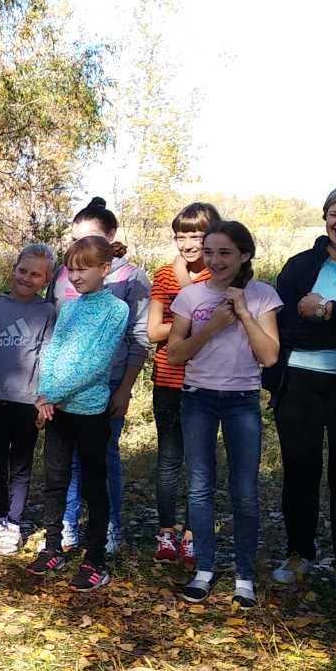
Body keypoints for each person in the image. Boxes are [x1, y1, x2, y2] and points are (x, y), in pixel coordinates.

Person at [168, 221, 281, 609]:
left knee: (244, 490)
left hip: (242, 401)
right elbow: (175, 354)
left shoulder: (262, 295)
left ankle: (244, 576)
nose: (214, 260)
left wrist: (245, 314)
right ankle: (204, 569)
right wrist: (211, 327)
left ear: (244, 255)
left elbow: (269, 356)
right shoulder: (190, 295)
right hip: (197, 398)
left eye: (225, 253)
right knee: (200, 487)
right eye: (210, 252)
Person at [264, 180, 336, 599]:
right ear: (324, 217)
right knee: (299, 471)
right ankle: (299, 553)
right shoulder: (300, 266)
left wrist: (327, 310)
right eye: (335, 214)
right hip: (298, 383)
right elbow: (282, 325)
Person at [49, 199, 150, 556]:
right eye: (75, 239)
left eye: (89, 237)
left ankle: (108, 528)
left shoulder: (132, 278)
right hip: (63, 388)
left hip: (106, 382)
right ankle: (67, 525)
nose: (81, 246)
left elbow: (139, 337)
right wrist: (49, 388)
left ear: (110, 236)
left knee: (102, 458)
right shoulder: (64, 275)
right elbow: (56, 330)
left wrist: (125, 389)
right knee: (66, 461)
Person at [28, 234, 129, 592]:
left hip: (90, 412)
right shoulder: (69, 307)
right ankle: (52, 546)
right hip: (58, 410)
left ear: (105, 268)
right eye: (71, 270)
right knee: (55, 481)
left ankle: (95, 559)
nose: (75, 276)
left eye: (83, 269)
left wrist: (52, 395)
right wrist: (45, 394)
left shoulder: (116, 310)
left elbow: (96, 362)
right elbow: (53, 352)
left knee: (93, 485)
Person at [0, 245, 56, 556]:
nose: (27, 278)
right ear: (14, 269)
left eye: (36, 275)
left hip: (28, 401)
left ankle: (14, 524)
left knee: (21, 464)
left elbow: (46, 357)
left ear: (46, 279)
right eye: (23, 271)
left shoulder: (47, 311)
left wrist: (45, 399)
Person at [147, 202, 221, 566]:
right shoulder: (163, 275)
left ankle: (193, 534)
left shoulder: (221, 275)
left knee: (200, 461)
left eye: (196, 236)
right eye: (181, 236)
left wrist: (185, 300)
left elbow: (219, 326)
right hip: (168, 378)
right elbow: (153, 331)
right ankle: (166, 532)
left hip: (206, 381)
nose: (188, 244)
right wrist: (192, 324)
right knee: (169, 458)